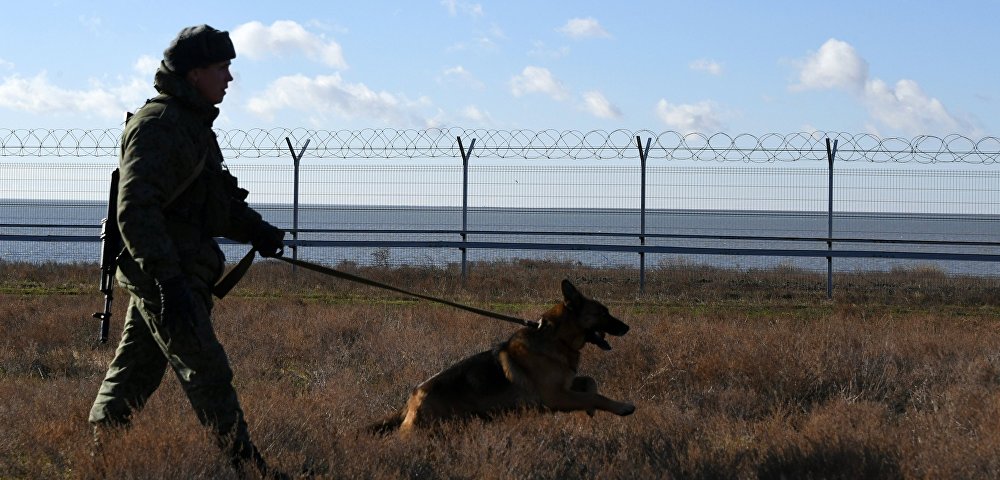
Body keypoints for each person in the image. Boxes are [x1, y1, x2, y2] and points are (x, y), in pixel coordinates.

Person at [88, 25, 286, 477]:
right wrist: (166, 280)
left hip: (175, 273)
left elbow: (212, 201)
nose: (229, 79)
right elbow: (135, 211)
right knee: (208, 370)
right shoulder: (158, 126)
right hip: (167, 277)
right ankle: (248, 467)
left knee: (133, 372)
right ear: (195, 73)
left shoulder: (191, 124)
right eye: (222, 68)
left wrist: (259, 231)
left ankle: (98, 460)